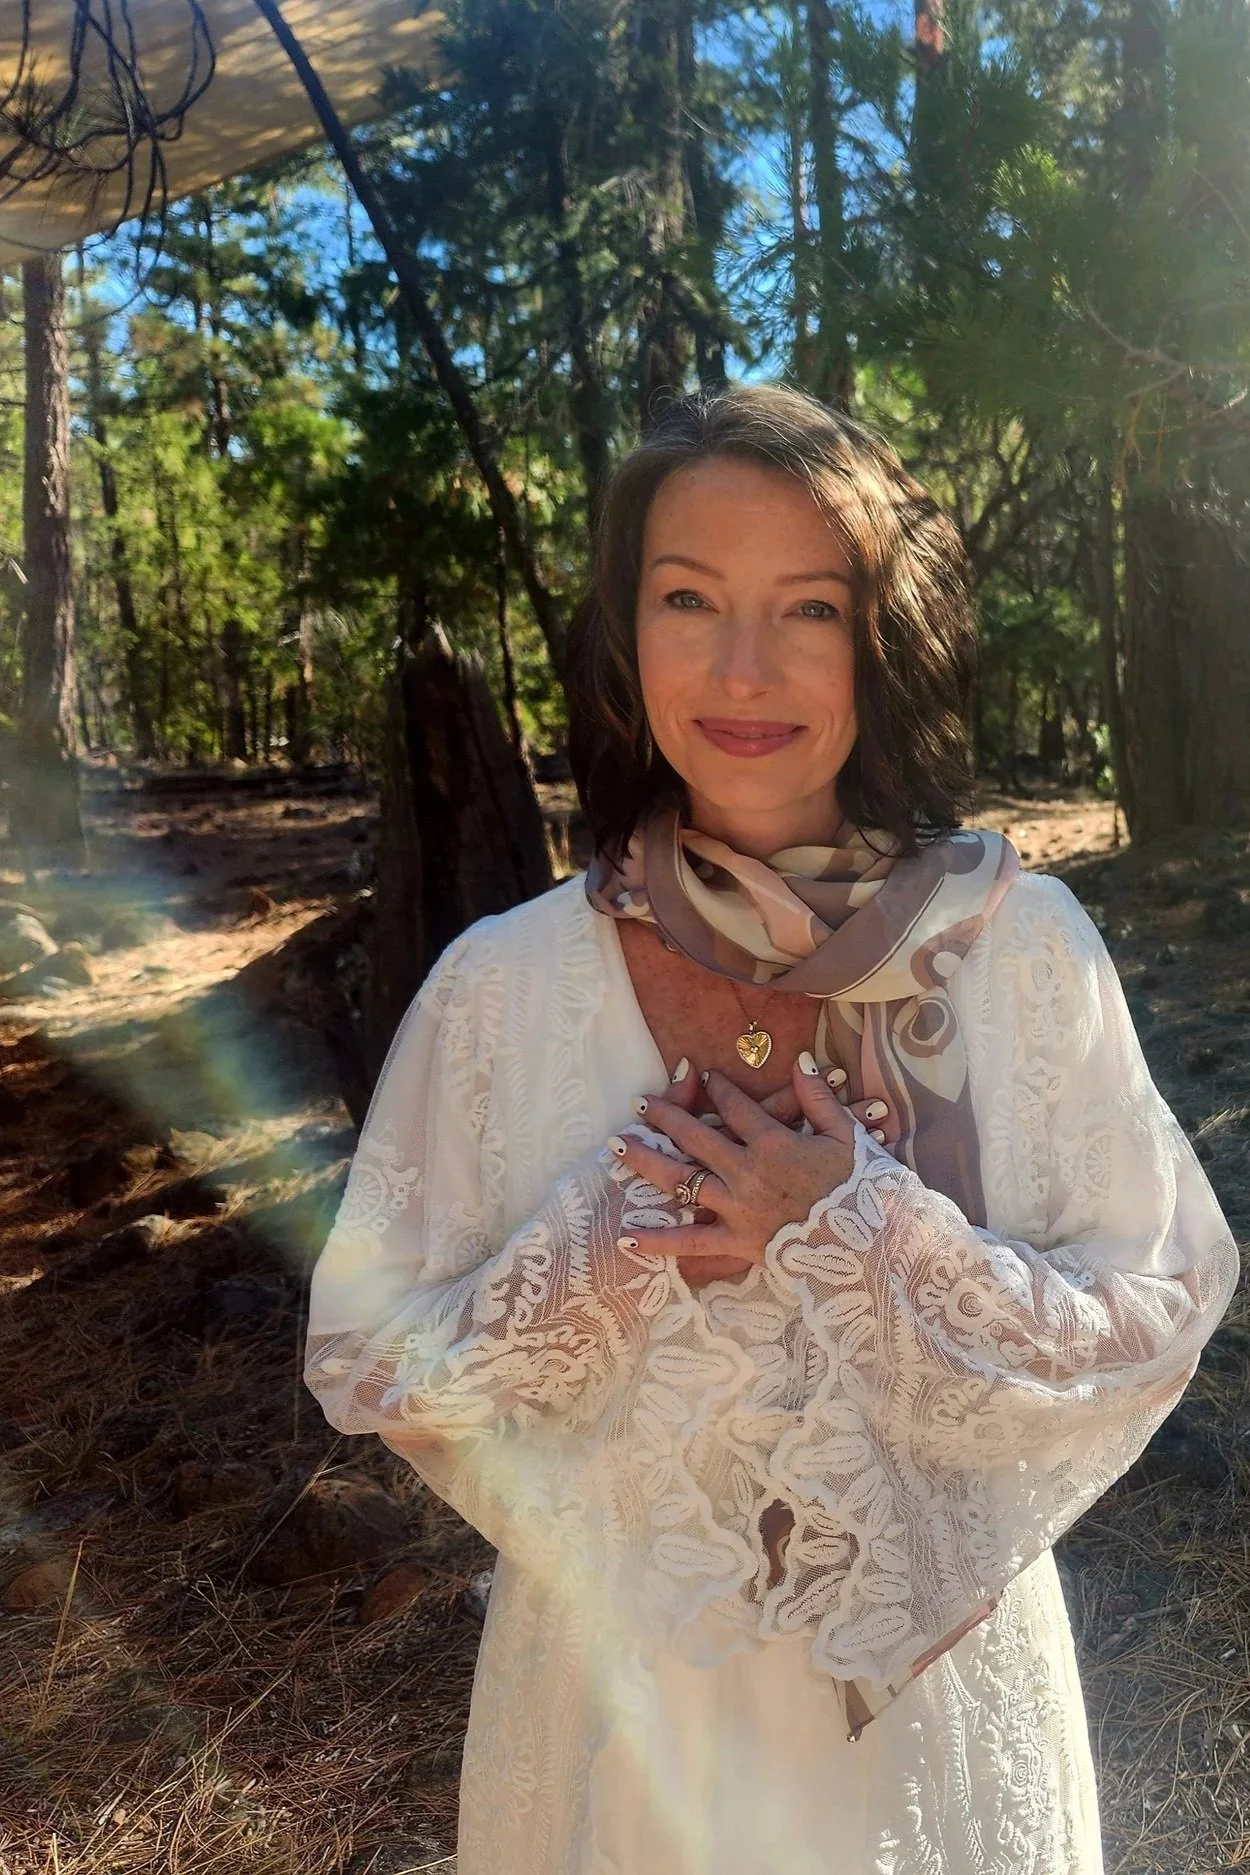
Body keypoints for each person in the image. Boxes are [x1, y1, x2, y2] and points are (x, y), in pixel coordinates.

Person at [304, 383, 1238, 1875]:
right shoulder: (503, 986)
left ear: (882, 635)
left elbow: (1158, 1306)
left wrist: (864, 1233)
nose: (744, 667)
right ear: (624, 636)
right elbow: (367, 1358)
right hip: (621, 1726)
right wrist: (607, 1252)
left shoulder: (1020, 948)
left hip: (940, 1728)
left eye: (807, 606)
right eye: (689, 598)